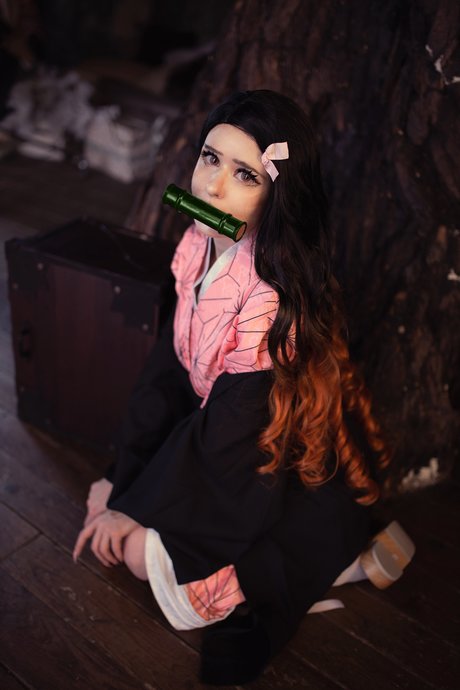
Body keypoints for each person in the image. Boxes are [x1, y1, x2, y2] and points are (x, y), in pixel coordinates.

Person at [73, 89, 404, 685]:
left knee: (137, 555)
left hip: (257, 453)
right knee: (115, 511)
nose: (213, 187)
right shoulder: (198, 241)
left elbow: (229, 435)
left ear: (276, 194)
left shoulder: (269, 299)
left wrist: (133, 507)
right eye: (210, 158)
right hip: (215, 429)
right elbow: (168, 367)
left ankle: (330, 555)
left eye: (245, 174)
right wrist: (121, 476)